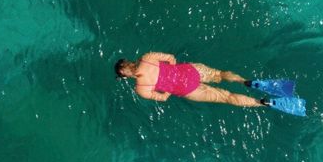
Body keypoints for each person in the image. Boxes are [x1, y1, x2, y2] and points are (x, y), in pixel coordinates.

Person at [114, 52, 267, 107]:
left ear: (124, 76)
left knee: (227, 97)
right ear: (128, 62)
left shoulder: (140, 88)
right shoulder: (146, 58)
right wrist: (174, 70)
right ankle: (244, 81)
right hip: (190, 71)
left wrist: (169, 87)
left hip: (187, 89)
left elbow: (163, 98)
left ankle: (261, 103)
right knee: (220, 75)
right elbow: (170, 57)